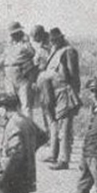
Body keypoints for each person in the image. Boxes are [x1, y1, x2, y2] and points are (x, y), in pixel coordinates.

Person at [38, 27, 81, 170]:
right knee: (54, 124)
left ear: (61, 38)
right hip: (52, 92)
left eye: (55, 39)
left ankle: (64, 159)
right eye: (51, 40)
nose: (53, 42)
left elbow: (73, 75)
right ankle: (53, 154)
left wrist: (74, 93)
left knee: (65, 126)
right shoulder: (54, 51)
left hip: (65, 92)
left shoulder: (69, 51)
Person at [0, 21, 37, 118]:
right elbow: (3, 59)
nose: (13, 36)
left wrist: (26, 42)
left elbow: (33, 53)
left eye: (15, 33)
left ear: (19, 33)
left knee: (25, 103)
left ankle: (28, 125)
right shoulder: (9, 47)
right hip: (9, 77)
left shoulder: (25, 45)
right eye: (12, 34)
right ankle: (14, 123)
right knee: (10, 102)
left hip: (22, 76)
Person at [30, 25, 52, 133]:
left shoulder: (46, 48)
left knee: (47, 105)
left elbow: (38, 64)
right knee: (45, 105)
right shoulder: (45, 45)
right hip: (46, 78)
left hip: (46, 78)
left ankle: (50, 131)